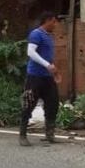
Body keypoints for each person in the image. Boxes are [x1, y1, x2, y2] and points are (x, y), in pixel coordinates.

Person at [18, 11, 61, 147]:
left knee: (53, 104)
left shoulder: (49, 36)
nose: (55, 24)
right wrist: (47, 65)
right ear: (47, 21)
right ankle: (22, 135)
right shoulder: (36, 34)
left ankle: (49, 134)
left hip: (48, 77)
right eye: (53, 21)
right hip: (35, 76)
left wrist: (54, 70)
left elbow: (47, 56)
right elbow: (30, 52)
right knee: (29, 104)